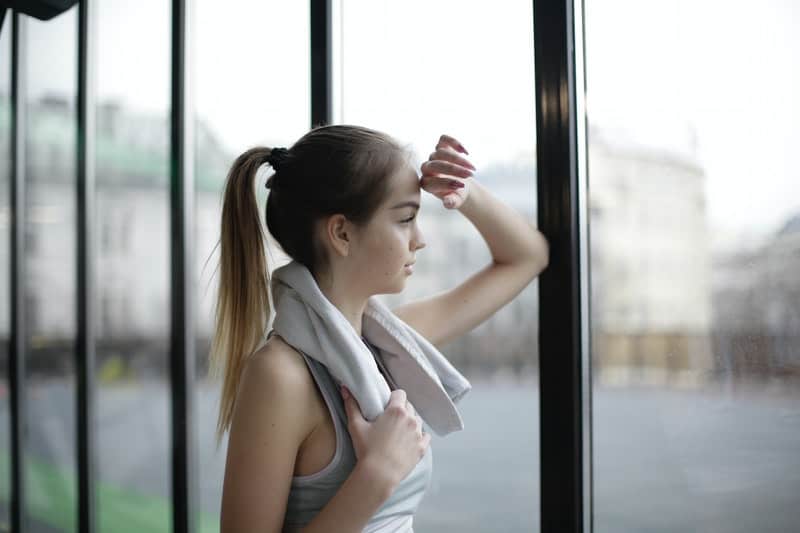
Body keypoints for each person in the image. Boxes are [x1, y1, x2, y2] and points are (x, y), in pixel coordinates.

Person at [212, 124, 549, 532]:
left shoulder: (391, 343)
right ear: (341, 233)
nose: (419, 239)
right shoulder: (279, 375)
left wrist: (463, 190)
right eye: (406, 218)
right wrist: (376, 475)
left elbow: (527, 257)